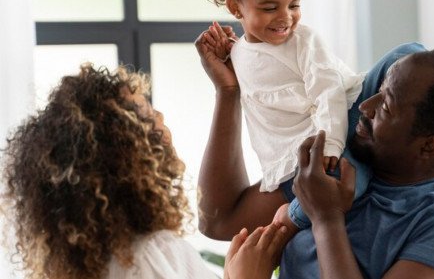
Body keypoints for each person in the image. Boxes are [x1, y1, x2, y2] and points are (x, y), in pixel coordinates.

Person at [201, 0, 434, 231]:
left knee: (410, 51)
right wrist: (227, 69)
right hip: (302, 156)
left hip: (347, 112)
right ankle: (296, 216)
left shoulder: (304, 41)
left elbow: (329, 93)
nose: (285, 18)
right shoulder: (238, 55)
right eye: (269, 8)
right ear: (236, 7)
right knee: (347, 184)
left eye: (294, 5)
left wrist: (331, 145)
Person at [196, 39, 434, 278]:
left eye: (387, 108)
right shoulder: (343, 157)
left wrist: (326, 219)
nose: (366, 106)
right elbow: (219, 221)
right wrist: (228, 92)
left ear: (430, 146)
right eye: (378, 91)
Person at [0, 64, 286, 279]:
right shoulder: (147, 256)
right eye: (147, 116)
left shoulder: (106, 260)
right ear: (125, 155)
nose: (161, 117)